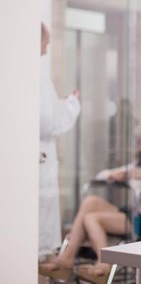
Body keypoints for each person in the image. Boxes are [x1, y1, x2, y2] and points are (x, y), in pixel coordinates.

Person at [39, 124, 141, 282]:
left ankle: (103, 265)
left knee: (91, 218)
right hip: (132, 211)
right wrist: (117, 174)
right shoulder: (137, 165)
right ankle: (66, 259)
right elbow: (103, 174)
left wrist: (138, 175)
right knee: (91, 201)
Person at [39, 22, 81, 257]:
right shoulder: (37, 78)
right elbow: (49, 123)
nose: (46, 48)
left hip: (39, 161)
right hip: (40, 161)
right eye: (45, 42)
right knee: (38, 243)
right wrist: (72, 105)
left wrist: (60, 105)